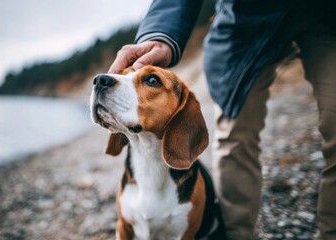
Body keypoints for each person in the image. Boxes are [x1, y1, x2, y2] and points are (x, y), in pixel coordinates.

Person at [108, 0, 336, 239]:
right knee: (236, 138)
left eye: (150, 82)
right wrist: (161, 33)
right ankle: (237, 234)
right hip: (245, 22)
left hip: (327, 17)